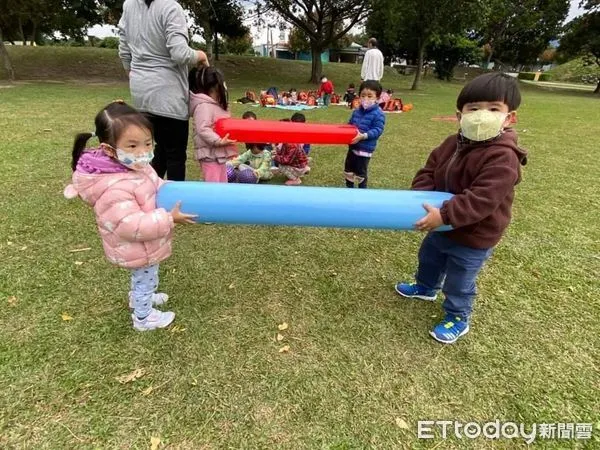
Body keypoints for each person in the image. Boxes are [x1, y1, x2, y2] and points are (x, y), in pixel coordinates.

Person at [395, 73, 528, 344]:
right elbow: (428, 171)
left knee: (459, 279)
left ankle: (458, 315)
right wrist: (423, 197)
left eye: (493, 109)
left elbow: (482, 198)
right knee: (429, 258)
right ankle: (426, 287)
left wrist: (444, 214)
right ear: (460, 115)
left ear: (509, 117)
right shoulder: (450, 143)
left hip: (474, 235)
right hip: (441, 224)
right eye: (473, 108)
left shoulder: (503, 156)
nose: (481, 115)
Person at [63, 101, 197, 331]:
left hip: (145, 245)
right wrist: (168, 218)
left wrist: (170, 188)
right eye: (133, 145)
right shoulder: (114, 188)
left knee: (146, 276)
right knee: (145, 278)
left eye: (148, 143)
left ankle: (140, 298)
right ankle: (144, 319)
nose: (143, 152)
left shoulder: (138, 167)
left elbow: (155, 183)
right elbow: (130, 225)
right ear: (108, 149)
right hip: (137, 245)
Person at [118, 0, 209, 181]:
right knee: (175, 154)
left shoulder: (128, 5)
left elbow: (124, 50)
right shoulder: (171, 7)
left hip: (141, 94)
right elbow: (180, 54)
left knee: (159, 148)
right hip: (169, 96)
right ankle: (174, 205)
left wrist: (133, 74)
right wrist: (201, 55)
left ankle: (149, 193)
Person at [189, 66, 237, 182]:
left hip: (218, 154)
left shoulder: (216, 105)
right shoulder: (204, 106)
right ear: (216, 87)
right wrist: (218, 141)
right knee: (213, 185)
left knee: (222, 183)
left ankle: (221, 200)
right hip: (209, 154)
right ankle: (212, 200)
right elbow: (203, 129)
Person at [344, 80, 386, 189]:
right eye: (363, 95)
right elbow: (350, 125)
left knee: (361, 172)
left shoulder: (379, 114)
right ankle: (349, 189)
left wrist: (364, 136)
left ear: (377, 98)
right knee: (349, 170)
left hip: (365, 149)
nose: (366, 98)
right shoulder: (356, 111)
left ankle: (362, 191)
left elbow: (378, 130)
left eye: (370, 96)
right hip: (353, 146)